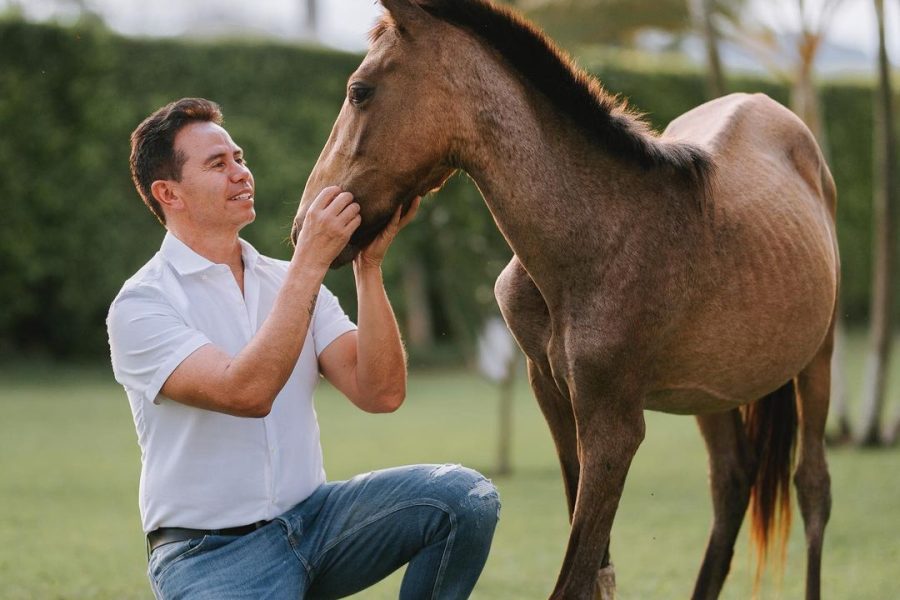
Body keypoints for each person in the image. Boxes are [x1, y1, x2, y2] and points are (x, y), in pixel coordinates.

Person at [107, 97, 499, 599]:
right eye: (217, 164)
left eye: (240, 159)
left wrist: (368, 268)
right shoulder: (141, 304)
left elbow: (379, 392)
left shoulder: (285, 279)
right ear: (169, 193)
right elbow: (246, 392)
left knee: (463, 498)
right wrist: (311, 261)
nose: (241, 173)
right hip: (211, 555)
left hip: (317, 525)